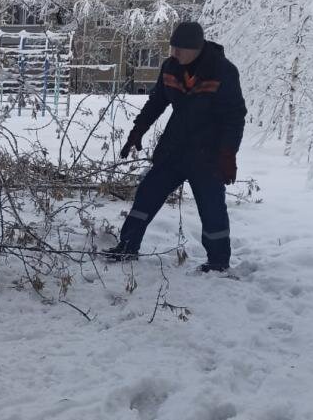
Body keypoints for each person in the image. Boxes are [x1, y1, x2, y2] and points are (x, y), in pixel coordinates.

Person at [105, 20, 247, 272]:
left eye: (180, 49)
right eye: (172, 47)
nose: (174, 53)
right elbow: (156, 103)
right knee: (146, 197)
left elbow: (234, 116)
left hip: (208, 154)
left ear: (196, 48)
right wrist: (137, 131)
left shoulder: (222, 71)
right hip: (174, 148)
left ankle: (218, 261)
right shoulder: (170, 68)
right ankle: (126, 247)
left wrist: (228, 154)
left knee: (212, 207)